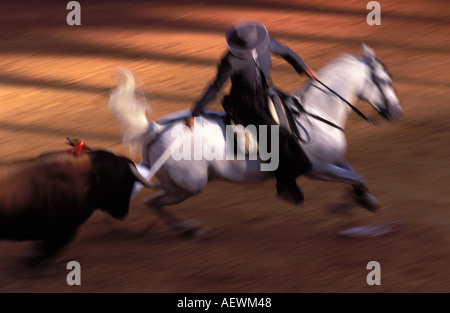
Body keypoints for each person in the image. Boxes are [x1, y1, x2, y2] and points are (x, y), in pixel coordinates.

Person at [185, 20, 317, 205]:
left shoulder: (266, 42)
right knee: (274, 134)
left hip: (265, 95)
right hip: (243, 104)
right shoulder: (229, 61)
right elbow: (215, 87)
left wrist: (302, 67)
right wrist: (195, 112)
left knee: (293, 111)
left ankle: (294, 166)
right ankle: (285, 185)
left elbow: (286, 51)